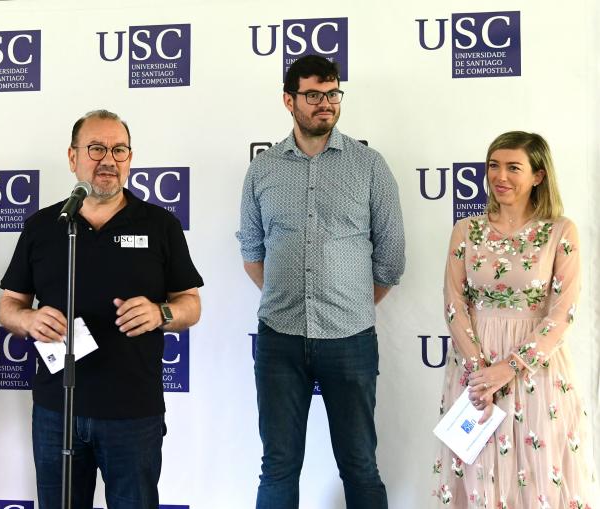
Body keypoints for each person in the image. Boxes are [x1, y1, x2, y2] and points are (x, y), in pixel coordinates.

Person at [0, 109, 203, 509]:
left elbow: (190, 304)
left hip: (133, 411)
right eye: (95, 149)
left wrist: (160, 314)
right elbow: (9, 305)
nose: (108, 159)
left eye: (118, 150)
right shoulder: (43, 226)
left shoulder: (160, 225)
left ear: (130, 158)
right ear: (72, 157)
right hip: (57, 410)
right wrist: (28, 318)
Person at [236, 54, 405, 509]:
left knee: (359, 465)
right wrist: (291, 297)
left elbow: (390, 258)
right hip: (279, 339)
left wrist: (347, 302)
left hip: (350, 339)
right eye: (313, 95)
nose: (325, 103)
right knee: (278, 466)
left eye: (332, 94)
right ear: (289, 100)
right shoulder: (263, 169)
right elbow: (252, 252)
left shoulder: (369, 166)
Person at [432, 132, 597, 507]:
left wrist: (509, 368)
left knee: (537, 474)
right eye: (493, 165)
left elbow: (563, 312)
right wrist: (481, 375)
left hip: (536, 372)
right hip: (475, 371)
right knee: (478, 473)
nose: (500, 176)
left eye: (513, 167)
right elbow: (454, 303)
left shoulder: (560, 231)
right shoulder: (466, 230)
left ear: (538, 175)